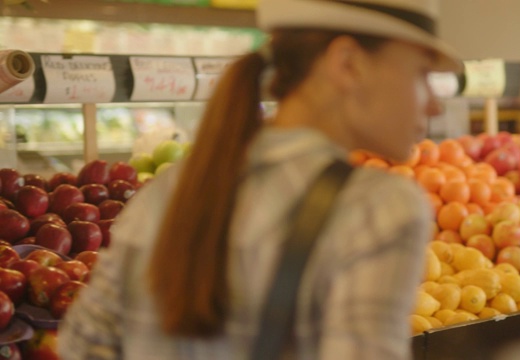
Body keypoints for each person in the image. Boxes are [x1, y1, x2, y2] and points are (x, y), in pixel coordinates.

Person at [58, 0, 462, 359]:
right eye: (422, 72)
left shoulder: (167, 192)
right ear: (348, 63)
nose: (435, 103)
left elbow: (81, 346)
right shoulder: (380, 206)